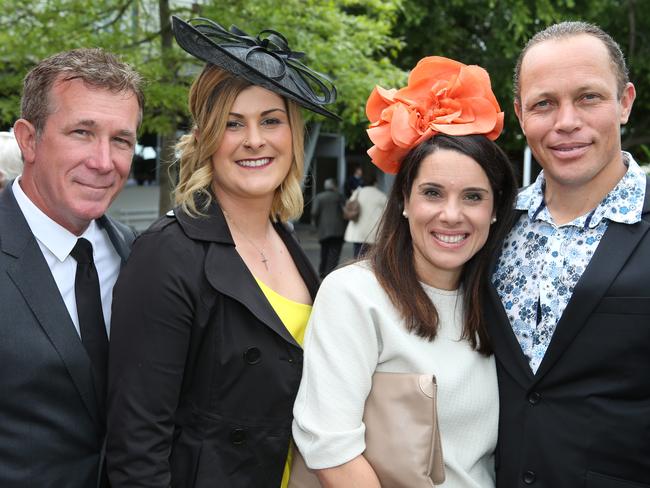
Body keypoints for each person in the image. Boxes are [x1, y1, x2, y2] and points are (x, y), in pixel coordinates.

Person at [106, 16, 338, 488]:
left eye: (271, 121)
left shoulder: (289, 244)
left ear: (292, 134)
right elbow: (136, 449)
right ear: (208, 138)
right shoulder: (166, 256)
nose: (255, 140)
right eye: (233, 124)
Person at [292, 56, 517, 487]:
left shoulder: (497, 300)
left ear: (494, 211)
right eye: (432, 193)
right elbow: (330, 448)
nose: (452, 215)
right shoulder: (355, 295)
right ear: (404, 201)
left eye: (473, 197)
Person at [488, 21, 649, 487]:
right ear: (520, 114)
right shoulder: (492, 226)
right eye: (544, 103)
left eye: (588, 97)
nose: (566, 122)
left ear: (624, 102)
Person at [0, 48, 142, 487]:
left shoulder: (136, 252)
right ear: (28, 140)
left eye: (121, 140)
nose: (104, 162)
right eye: (82, 132)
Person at [343, 170, 387, 258]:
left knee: (357, 259)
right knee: (371, 261)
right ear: (375, 182)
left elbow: (350, 205)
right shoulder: (381, 195)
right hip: (373, 234)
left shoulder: (357, 193)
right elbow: (388, 213)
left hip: (358, 232)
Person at [311, 178, 346, 277]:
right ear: (334, 186)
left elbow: (314, 212)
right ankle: (329, 272)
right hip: (338, 229)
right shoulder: (339, 196)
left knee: (324, 251)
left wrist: (317, 224)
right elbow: (346, 211)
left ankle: (322, 271)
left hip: (323, 229)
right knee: (334, 253)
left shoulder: (319, 197)